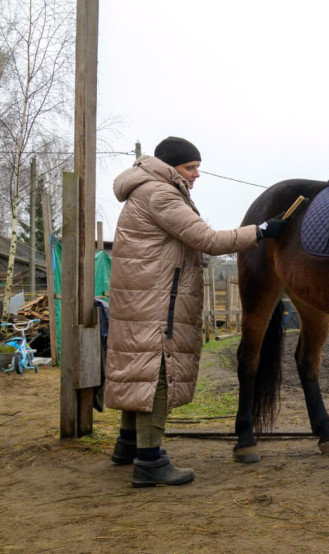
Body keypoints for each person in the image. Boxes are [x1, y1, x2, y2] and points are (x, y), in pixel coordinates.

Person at [105, 136, 288, 487]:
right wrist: (261, 231)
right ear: (171, 166)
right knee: (157, 372)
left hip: (144, 297)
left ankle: (127, 445)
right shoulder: (160, 194)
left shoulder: (147, 190)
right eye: (191, 167)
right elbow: (207, 239)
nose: (196, 175)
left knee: (138, 368)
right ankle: (149, 461)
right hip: (158, 300)